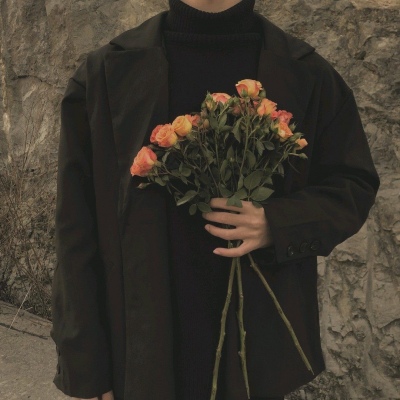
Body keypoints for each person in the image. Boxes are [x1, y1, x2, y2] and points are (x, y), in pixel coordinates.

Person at [50, 0, 380, 399]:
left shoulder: (306, 72)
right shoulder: (102, 75)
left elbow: (353, 183)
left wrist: (277, 222)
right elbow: (76, 229)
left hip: (257, 353)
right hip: (140, 352)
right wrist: (88, 372)